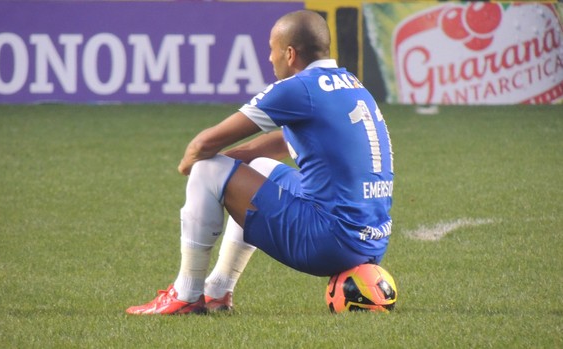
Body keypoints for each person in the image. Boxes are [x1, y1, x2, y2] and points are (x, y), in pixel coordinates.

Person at [126, 9, 394, 315]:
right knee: (258, 167)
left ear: (290, 54)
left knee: (205, 168)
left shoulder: (298, 88)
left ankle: (186, 294)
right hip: (371, 243)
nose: (270, 58)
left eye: (272, 49)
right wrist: (229, 166)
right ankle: (217, 290)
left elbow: (203, 144)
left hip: (329, 244)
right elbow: (281, 143)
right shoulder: (352, 84)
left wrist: (194, 166)